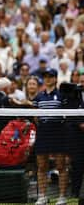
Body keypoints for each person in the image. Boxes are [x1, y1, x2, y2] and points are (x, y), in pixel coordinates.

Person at [33, 68, 68, 205]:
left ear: (55, 78)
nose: (47, 78)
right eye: (45, 76)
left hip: (58, 132)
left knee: (61, 165)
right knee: (41, 166)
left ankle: (62, 197)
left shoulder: (61, 95)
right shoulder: (39, 96)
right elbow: (35, 116)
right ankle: (42, 197)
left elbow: (66, 115)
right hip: (43, 131)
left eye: (50, 76)